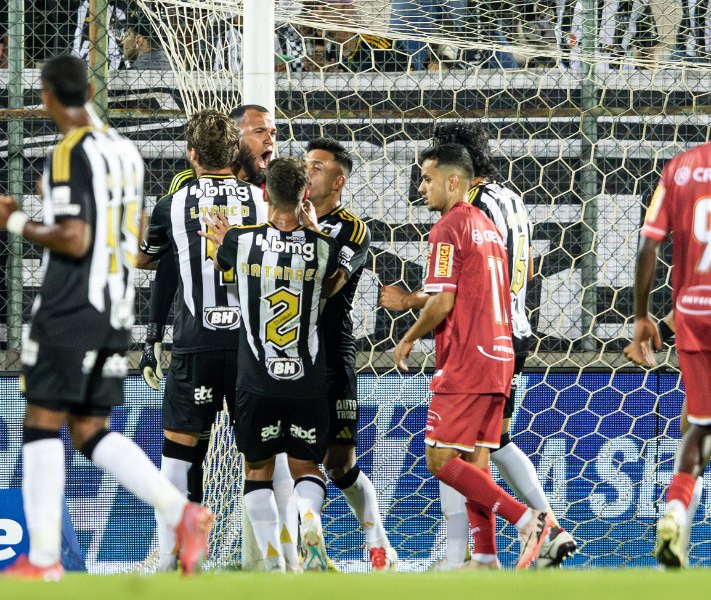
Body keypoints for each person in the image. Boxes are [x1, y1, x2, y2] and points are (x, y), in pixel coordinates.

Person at [0, 54, 211, 581]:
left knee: (42, 422)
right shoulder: (124, 151)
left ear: (45, 97)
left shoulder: (68, 152)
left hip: (70, 306)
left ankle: (43, 561)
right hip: (114, 305)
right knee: (89, 430)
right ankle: (183, 513)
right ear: (89, 88)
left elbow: (74, 237)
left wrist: (14, 217)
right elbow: (125, 233)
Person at [380, 123, 577, 569]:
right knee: (481, 454)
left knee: (442, 456)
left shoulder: (461, 218)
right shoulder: (505, 205)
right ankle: (484, 558)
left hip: (472, 345)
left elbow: (447, 295)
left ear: (457, 175)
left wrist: (409, 322)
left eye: (427, 176)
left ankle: (531, 525)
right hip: (507, 341)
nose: (421, 186)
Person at [138, 103, 283, 566]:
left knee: (180, 451)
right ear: (234, 149)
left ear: (192, 153)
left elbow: (145, 260)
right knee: (261, 455)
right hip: (252, 346)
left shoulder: (172, 204)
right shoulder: (261, 201)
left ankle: (175, 557)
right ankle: (274, 559)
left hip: (197, 342)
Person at [200, 156, 342, 572]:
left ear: (265, 193)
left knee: (257, 471)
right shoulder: (323, 248)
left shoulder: (239, 242)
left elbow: (220, 259)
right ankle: (310, 523)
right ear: (304, 196)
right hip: (307, 380)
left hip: (255, 380)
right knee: (305, 467)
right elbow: (328, 265)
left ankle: (272, 564)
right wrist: (312, 225)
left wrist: (222, 238)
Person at [303, 137, 397, 571]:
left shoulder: (352, 228)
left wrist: (307, 234)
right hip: (290, 355)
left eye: (317, 166)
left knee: (340, 465)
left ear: (338, 180)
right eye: (305, 164)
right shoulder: (280, 218)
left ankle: (377, 542)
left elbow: (329, 285)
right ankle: (302, 545)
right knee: (296, 456)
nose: (308, 171)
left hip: (334, 353)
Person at [625, 140, 711, 568]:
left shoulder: (681, 168)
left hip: (694, 312)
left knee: (698, 424)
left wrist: (644, 317)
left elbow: (648, 246)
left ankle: (675, 513)